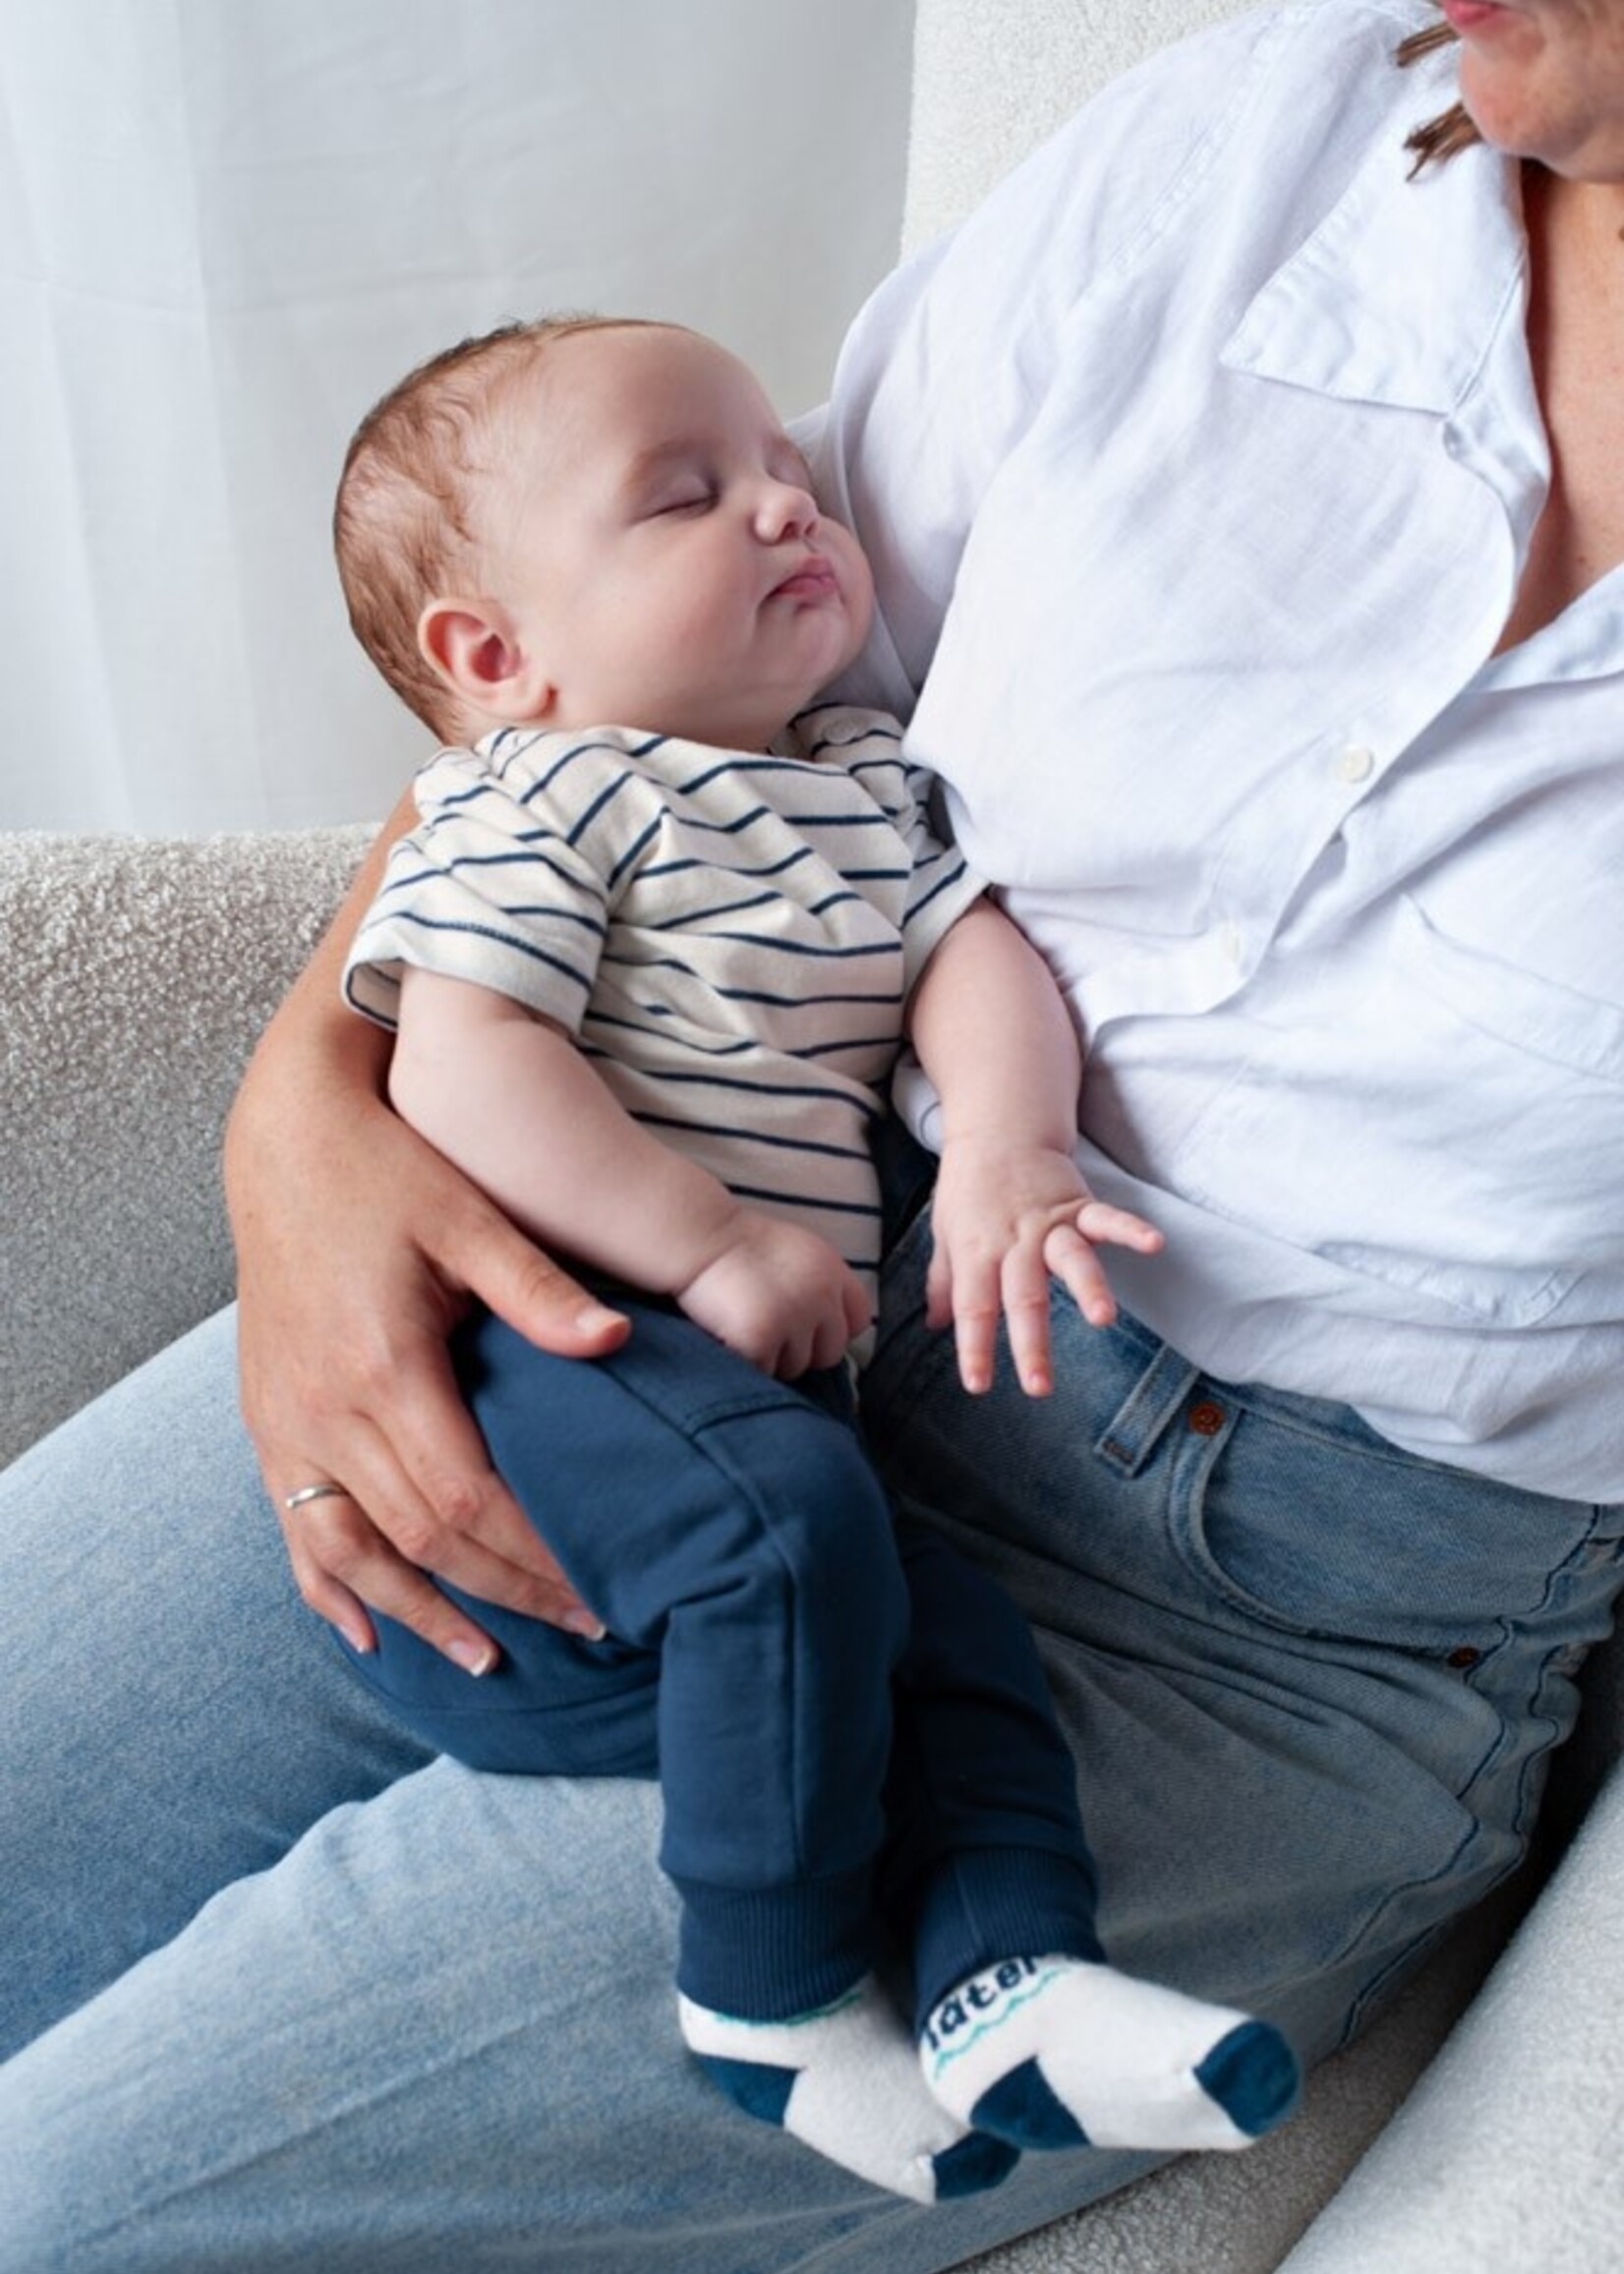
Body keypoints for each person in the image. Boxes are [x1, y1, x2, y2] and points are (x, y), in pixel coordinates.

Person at [2, 1, 1623, 2267]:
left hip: (1255, 1630)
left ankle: (874, 1990)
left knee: (68, 2206)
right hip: (621, 1318)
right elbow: (622, 698)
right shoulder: (1277, 140)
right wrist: (304, 1129)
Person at [325, 311, 1293, 2199]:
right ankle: (768, 1991)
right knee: (787, 1528)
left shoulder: (857, 775)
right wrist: (708, 1243)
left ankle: (1008, 1967)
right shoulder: (541, 797)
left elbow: (966, 959)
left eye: (779, 463)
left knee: (954, 1640)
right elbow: (465, 1053)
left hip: (744, 1398)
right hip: (560, 1343)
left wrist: (1010, 1147)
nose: (787, 503)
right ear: (495, 655)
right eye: (689, 495)